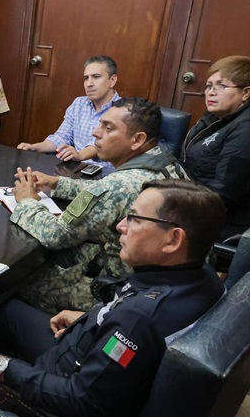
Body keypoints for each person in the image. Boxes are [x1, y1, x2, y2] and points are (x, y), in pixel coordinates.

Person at [0, 179, 226, 417]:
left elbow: (84, 402)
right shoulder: (204, 276)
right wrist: (94, 320)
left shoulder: (137, 320)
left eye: (134, 219)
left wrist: (4, 367)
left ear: (173, 240)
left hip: (62, 382)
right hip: (87, 344)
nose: (120, 226)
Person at [10, 97, 187, 313]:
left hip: (121, 291)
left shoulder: (118, 186)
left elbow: (55, 235)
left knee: (21, 283)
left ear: (137, 139)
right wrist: (58, 183)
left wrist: (27, 201)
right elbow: (105, 191)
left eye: (108, 128)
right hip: (163, 282)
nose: (95, 132)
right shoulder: (165, 161)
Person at [181, 55, 250, 238]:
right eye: (209, 86)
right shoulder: (215, 117)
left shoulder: (245, 130)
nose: (211, 92)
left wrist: (175, 207)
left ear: (245, 93)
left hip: (219, 222)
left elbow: (223, 193)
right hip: (193, 202)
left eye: (222, 86)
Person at [17, 56, 120, 164]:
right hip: (76, 167)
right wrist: (34, 147)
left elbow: (102, 144)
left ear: (112, 80)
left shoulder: (122, 109)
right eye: (86, 78)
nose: (89, 84)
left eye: (96, 77)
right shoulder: (79, 103)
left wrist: (80, 155)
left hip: (106, 171)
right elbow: (62, 137)